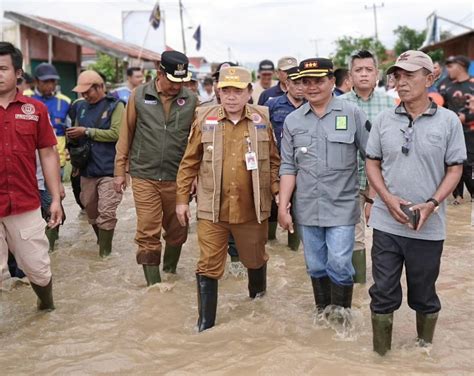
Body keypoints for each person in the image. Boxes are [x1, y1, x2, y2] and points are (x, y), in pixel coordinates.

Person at [365, 50, 467, 356]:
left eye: (410, 75)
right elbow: (372, 163)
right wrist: (385, 198)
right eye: (398, 75)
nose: (402, 82)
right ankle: (381, 359)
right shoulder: (383, 120)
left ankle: (423, 355)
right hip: (386, 222)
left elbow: (455, 169)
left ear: (431, 78)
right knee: (382, 292)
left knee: (424, 294)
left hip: (428, 226)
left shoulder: (448, 121)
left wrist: (432, 204)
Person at [175, 66, 280, 331]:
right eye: (226, 90)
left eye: (237, 91)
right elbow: (189, 162)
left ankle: (258, 307)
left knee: (255, 259)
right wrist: (181, 200)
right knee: (208, 264)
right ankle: (205, 325)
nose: (231, 96)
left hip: (251, 207)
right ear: (218, 92)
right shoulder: (204, 119)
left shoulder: (261, 120)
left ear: (248, 93)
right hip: (213, 209)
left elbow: (276, 163)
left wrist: (280, 195)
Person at [278, 58, 370, 318]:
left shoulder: (351, 114)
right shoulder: (293, 121)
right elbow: (287, 167)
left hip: (342, 206)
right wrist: (283, 206)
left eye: (319, 80)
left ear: (332, 81)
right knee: (316, 266)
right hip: (307, 207)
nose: (312, 87)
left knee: (340, 263)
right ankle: (323, 317)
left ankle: (342, 320)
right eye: (306, 81)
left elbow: (372, 156)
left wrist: (372, 197)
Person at [114, 51, 198, 286]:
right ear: (159, 73)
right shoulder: (139, 95)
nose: (177, 86)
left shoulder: (191, 100)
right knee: (147, 231)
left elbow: (197, 142)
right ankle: (155, 288)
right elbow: (126, 133)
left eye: (181, 81)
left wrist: (196, 176)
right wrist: (120, 170)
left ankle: (170, 272)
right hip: (144, 175)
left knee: (178, 231)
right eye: (172, 80)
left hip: (178, 176)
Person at [0, 42, 62, 310]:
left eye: (2, 68)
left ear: (18, 72)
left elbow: (48, 154)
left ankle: (45, 305)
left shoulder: (35, 110)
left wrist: (57, 198)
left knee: (37, 268)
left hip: (24, 202)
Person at [340, 50, 395, 284]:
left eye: (368, 70)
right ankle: (359, 289)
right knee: (354, 237)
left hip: (384, 182)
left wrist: (375, 197)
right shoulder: (339, 105)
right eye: (358, 70)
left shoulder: (390, 104)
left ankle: (383, 285)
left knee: (385, 235)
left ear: (377, 74)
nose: (364, 74)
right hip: (348, 181)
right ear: (350, 76)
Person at [66, 70, 124, 257]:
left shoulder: (116, 106)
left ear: (99, 87)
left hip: (110, 169)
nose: (85, 95)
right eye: (82, 92)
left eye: (88, 91)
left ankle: (104, 254)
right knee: (91, 212)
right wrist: (74, 159)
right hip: (87, 169)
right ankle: (102, 242)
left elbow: (117, 134)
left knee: (106, 212)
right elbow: (75, 135)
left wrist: (88, 131)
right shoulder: (79, 107)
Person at [265, 67, 305, 250]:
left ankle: (292, 249)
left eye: (303, 83)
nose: (300, 88)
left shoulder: (310, 106)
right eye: (296, 83)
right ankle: (270, 242)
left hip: (302, 166)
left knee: (298, 209)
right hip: (277, 163)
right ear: (286, 84)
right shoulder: (273, 105)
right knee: (273, 206)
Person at [28, 63, 71, 178]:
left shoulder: (65, 102)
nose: (50, 85)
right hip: (30, 160)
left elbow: (70, 129)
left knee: (54, 195)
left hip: (57, 160)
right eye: (45, 82)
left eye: (53, 82)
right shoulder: (26, 98)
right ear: (36, 81)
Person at [441, 55, 474, 204]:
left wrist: (466, 118)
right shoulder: (446, 86)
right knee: (452, 162)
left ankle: (472, 195)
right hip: (451, 132)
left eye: (450, 66)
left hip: (470, 132)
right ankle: (458, 196)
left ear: (460, 67)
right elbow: (439, 105)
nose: (448, 69)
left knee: (469, 164)